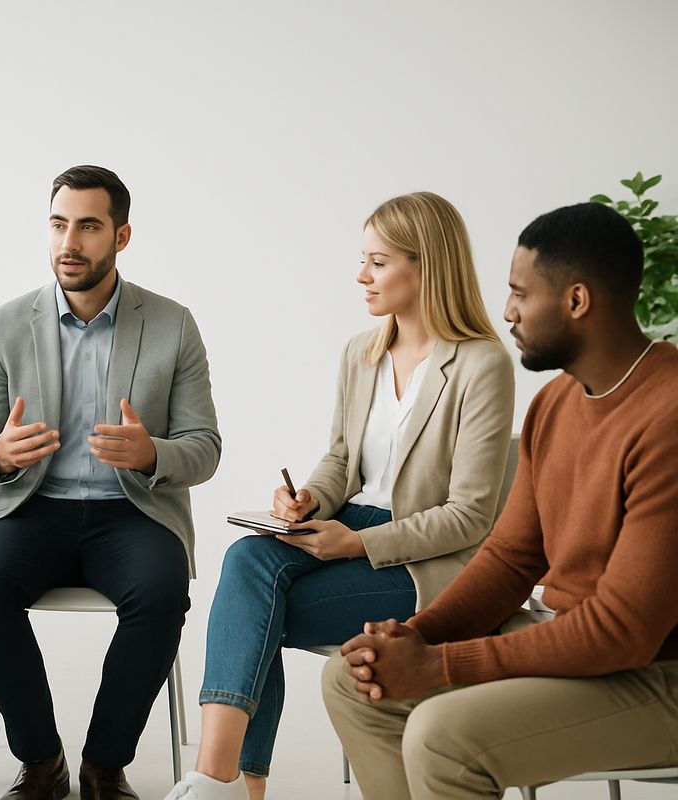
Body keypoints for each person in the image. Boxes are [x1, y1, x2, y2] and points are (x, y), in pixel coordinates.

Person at [322, 202, 678, 799]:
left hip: (657, 673)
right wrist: (418, 637)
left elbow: (623, 631)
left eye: (520, 294)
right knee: (350, 683)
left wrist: (438, 665)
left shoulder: (666, 415)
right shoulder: (555, 404)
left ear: (577, 300)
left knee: (442, 735)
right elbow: (512, 558)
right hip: (574, 642)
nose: (507, 311)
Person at [166, 192, 514, 800]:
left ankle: (224, 783)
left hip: (423, 562)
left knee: (254, 614)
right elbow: (341, 462)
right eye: (363, 260)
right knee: (248, 558)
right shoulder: (362, 353)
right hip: (345, 526)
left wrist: (357, 542)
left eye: (378, 262)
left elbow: (470, 516)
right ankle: (223, 780)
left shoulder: (481, 364)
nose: (361, 276)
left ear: (427, 265)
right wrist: (308, 500)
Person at [0, 165, 221, 800]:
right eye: (58, 224)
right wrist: (0, 455)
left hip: (133, 511)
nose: (69, 242)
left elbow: (205, 447)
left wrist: (151, 453)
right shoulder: (5, 324)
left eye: (88, 227)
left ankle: (105, 765)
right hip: (33, 506)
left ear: (121, 236)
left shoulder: (173, 324)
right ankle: (41, 761)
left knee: (161, 594)